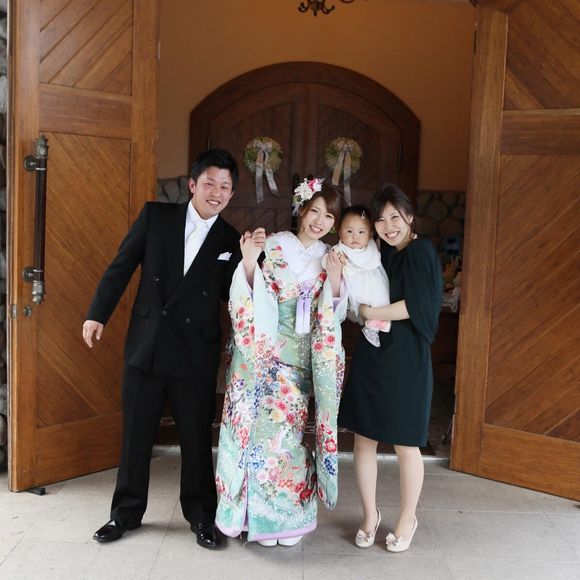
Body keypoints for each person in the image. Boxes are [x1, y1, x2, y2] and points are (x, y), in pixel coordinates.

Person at [82, 148, 244, 550]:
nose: (216, 192)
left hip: (195, 352)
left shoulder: (231, 239)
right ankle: (124, 514)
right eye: (209, 183)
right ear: (192, 185)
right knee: (135, 435)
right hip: (148, 345)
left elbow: (234, 296)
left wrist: (253, 261)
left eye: (225, 187)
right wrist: (97, 314)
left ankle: (201, 516)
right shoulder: (156, 217)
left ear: (231, 193)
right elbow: (121, 266)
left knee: (195, 438)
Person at [214, 179, 346, 547]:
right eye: (314, 211)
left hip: (302, 359)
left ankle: (286, 517)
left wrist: (336, 281)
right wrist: (249, 261)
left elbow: (335, 315)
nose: (319, 221)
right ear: (301, 210)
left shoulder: (332, 257)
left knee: (289, 438)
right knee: (254, 432)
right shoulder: (273, 245)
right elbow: (247, 293)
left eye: (329, 216)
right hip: (263, 352)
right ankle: (250, 517)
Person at [338, 183, 442, 552]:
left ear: (409, 217)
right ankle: (370, 515)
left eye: (395, 217)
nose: (388, 226)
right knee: (363, 439)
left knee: (405, 443)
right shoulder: (381, 254)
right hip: (373, 354)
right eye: (380, 220)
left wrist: (369, 312)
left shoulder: (420, 251)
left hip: (407, 359)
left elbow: (415, 306)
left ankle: (407, 518)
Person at [322, 205, 391, 347]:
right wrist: (336, 259)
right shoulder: (340, 250)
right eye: (349, 231)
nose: (355, 236)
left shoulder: (372, 248)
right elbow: (325, 261)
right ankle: (370, 323)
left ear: (370, 234)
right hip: (355, 288)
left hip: (373, 283)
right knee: (360, 304)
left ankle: (377, 323)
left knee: (382, 292)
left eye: (361, 232)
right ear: (340, 233)